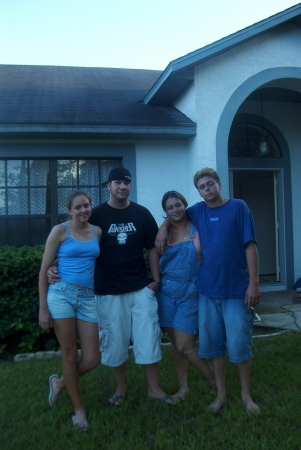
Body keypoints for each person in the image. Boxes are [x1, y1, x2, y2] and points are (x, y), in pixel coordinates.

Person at [48, 167, 174, 405]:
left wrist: (155, 281)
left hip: (140, 288)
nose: (122, 187)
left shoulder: (142, 213)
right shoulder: (95, 215)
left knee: (148, 340)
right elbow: (73, 240)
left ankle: (154, 388)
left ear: (130, 186)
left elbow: (151, 248)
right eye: (117, 183)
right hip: (107, 291)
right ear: (108, 186)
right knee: (114, 344)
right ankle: (120, 390)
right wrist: (54, 265)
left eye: (126, 183)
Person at [156, 168, 260, 413]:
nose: (207, 189)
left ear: (219, 184)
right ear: (199, 192)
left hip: (236, 290)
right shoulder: (198, 211)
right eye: (202, 187)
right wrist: (162, 227)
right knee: (213, 347)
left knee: (239, 346)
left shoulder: (238, 207)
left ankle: (246, 396)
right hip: (206, 293)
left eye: (210, 184)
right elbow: (175, 214)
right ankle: (221, 394)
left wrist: (253, 283)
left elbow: (251, 246)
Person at [39, 190, 102, 430]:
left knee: (92, 359)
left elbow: (97, 260)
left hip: (87, 297)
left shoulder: (97, 232)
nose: (83, 210)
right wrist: (43, 308)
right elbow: (44, 270)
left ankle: (60, 383)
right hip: (61, 295)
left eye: (86, 206)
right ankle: (79, 410)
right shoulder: (60, 231)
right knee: (69, 354)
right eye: (78, 207)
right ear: (69, 211)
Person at [157, 191, 216, 401]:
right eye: (170, 207)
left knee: (185, 345)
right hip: (166, 291)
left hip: (191, 290)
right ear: (165, 212)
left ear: (184, 205)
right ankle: (183, 387)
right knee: (174, 342)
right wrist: (163, 227)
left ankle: (215, 381)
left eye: (178, 205)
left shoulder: (197, 227)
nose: (175, 210)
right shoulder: (163, 233)